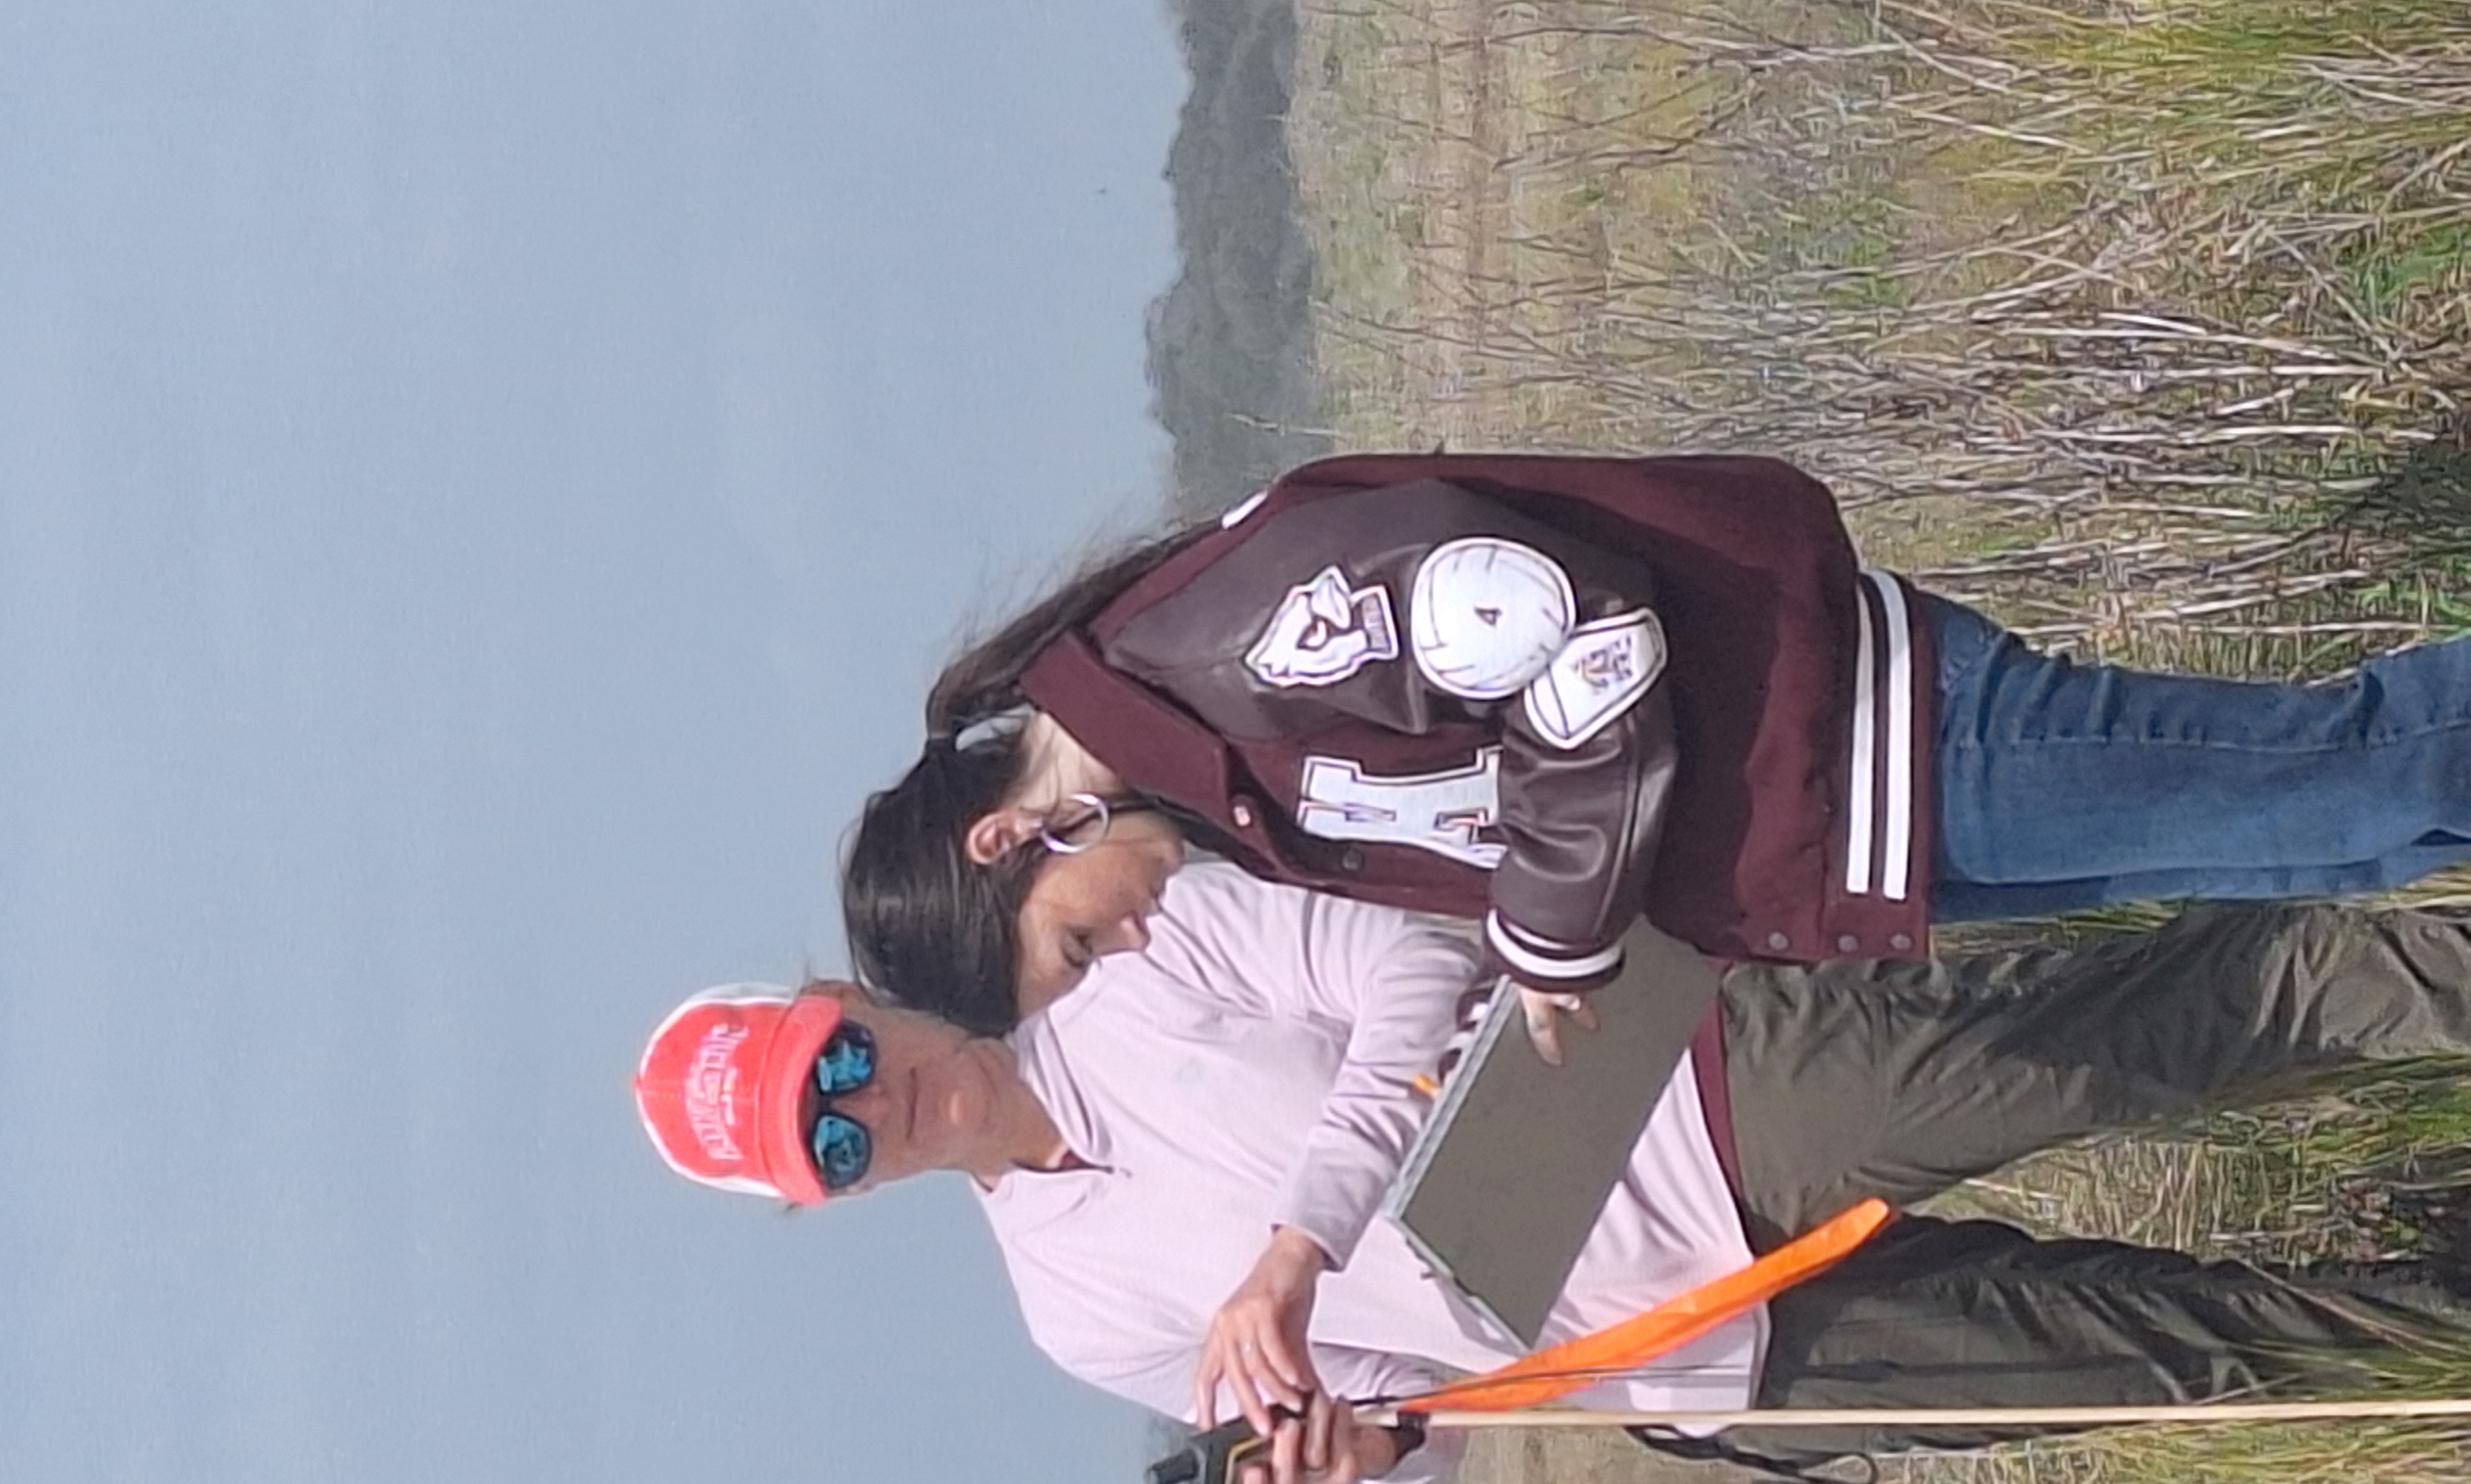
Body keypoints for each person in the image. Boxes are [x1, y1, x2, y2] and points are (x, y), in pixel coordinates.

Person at [638, 861, 2471, 1484]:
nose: (882, 1097)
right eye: (838, 1132)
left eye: (842, 1060)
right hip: (1695, 1361)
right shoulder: (1073, 1312)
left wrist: (1296, 1243)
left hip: (1703, 1093)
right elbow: (1426, 1436)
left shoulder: (1119, 942)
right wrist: (1364, 1450)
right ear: (831, 1199)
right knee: (2219, 1363)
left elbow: (1418, 976)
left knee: (2197, 1018)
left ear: (838, 994)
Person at [838, 451, 2471, 1049]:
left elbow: (1571, 625)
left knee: (2371, 772)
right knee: (2334, 840)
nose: (1134, 938)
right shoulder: (1209, 770)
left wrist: (1553, 936)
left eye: (1080, 942)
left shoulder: (1222, 649)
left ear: (1006, 841)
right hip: (1854, 835)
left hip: (1883, 737)